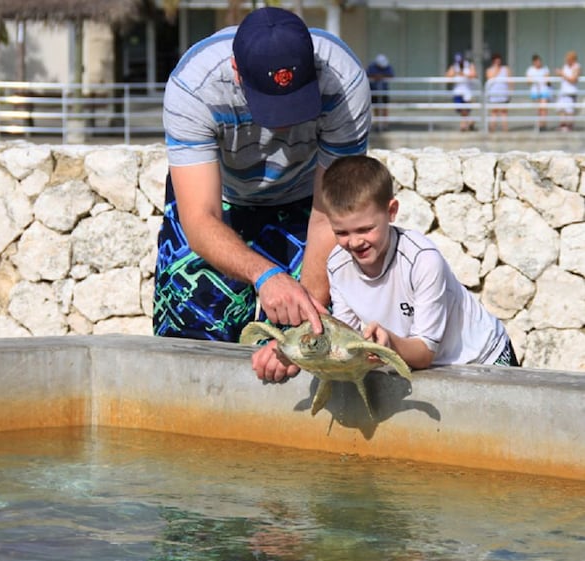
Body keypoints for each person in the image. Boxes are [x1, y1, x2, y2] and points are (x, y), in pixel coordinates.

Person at [153, 7, 372, 346]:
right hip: (218, 201)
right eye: (269, 104)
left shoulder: (344, 80)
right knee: (192, 343)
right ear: (236, 71)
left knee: (303, 344)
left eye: (296, 101)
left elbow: (333, 210)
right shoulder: (193, 87)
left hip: (307, 199)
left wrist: (301, 322)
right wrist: (265, 274)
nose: (283, 123)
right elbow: (200, 218)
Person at [250, 155, 518, 382]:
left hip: (484, 357)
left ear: (391, 212)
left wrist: (388, 343)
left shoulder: (422, 261)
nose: (354, 242)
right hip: (427, 365)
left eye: (365, 229)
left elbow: (424, 354)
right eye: (341, 232)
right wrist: (293, 350)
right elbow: (345, 335)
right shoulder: (337, 264)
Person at [445, 53, 477, 131]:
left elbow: (474, 75)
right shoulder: (454, 67)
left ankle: (463, 126)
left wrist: (463, 74)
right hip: (457, 92)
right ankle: (470, 122)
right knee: (460, 110)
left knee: (465, 110)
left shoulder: (469, 65)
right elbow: (448, 76)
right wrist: (456, 72)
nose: (460, 63)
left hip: (467, 92)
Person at [366, 54, 395, 132]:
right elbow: (367, 75)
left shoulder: (388, 67)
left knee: (385, 107)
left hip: (384, 90)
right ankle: (377, 124)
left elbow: (391, 75)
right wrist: (375, 77)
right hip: (374, 90)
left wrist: (382, 76)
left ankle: (385, 124)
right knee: (376, 108)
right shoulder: (372, 66)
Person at [555, 50, 581, 131]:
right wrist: (560, 73)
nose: (567, 61)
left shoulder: (577, 66)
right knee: (560, 108)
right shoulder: (565, 66)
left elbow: (573, 79)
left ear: (573, 59)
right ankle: (563, 125)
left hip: (571, 92)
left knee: (569, 109)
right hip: (563, 91)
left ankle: (570, 126)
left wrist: (562, 74)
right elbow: (563, 75)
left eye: (569, 59)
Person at [485, 53, 511, 132]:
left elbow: (510, 80)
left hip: (503, 93)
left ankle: (505, 130)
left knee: (504, 112)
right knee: (494, 112)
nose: (498, 61)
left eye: (498, 59)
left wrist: (510, 91)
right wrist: (496, 69)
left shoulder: (506, 69)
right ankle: (492, 129)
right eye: (496, 60)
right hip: (494, 94)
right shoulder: (489, 70)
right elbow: (490, 78)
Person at [526, 54, 552, 131]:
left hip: (544, 90)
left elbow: (548, 80)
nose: (538, 63)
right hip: (535, 91)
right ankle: (540, 125)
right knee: (539, 109)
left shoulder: (545, 69)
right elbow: (528, 81)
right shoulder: (530, 70)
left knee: (544, 107)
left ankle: (543, 124)